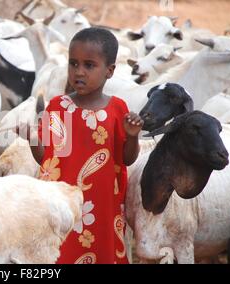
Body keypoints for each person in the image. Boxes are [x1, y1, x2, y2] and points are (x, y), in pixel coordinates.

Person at [19, 27, 143, 264]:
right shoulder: (57, 107)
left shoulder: (117, 110)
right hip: (62, 203)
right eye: (73, 64)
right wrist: (32, 139)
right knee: (61, 253)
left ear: (109, 71)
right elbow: (47, 159)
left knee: (102, 251)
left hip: (103, 204)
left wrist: (133, 136)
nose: (79, 72)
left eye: (89, 65)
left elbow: (126, 159)